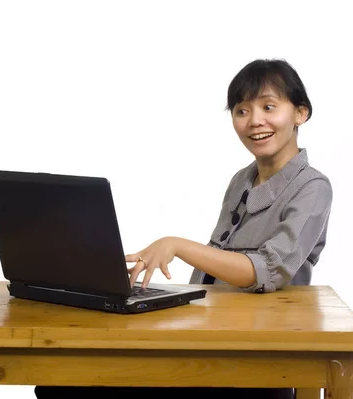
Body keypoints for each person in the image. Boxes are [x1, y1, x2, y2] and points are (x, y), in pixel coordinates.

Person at [35, 58, 332, 399]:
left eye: (268, 107)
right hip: (212, 340)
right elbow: (215, 270)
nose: (255, 122)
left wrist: (178, 245)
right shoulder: (242, 180)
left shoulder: (313, 187)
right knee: (58, 383)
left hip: (256, 361)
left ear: (300, 113)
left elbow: (269, 271)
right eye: (242, 111)